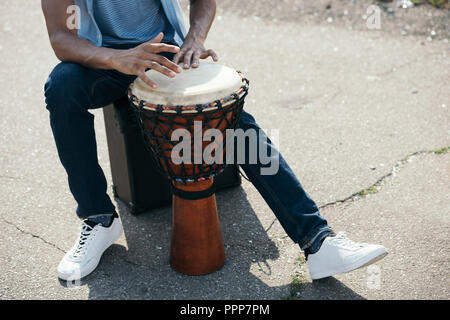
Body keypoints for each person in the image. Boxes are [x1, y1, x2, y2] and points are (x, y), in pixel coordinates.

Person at [41, 0, 387, 282]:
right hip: (104, 59)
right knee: (62, 86)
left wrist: (194, 37)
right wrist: (116, 58)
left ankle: (317, 241)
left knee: (229, 118)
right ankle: (99, 219)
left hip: (165, 55)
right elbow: (61, 37)